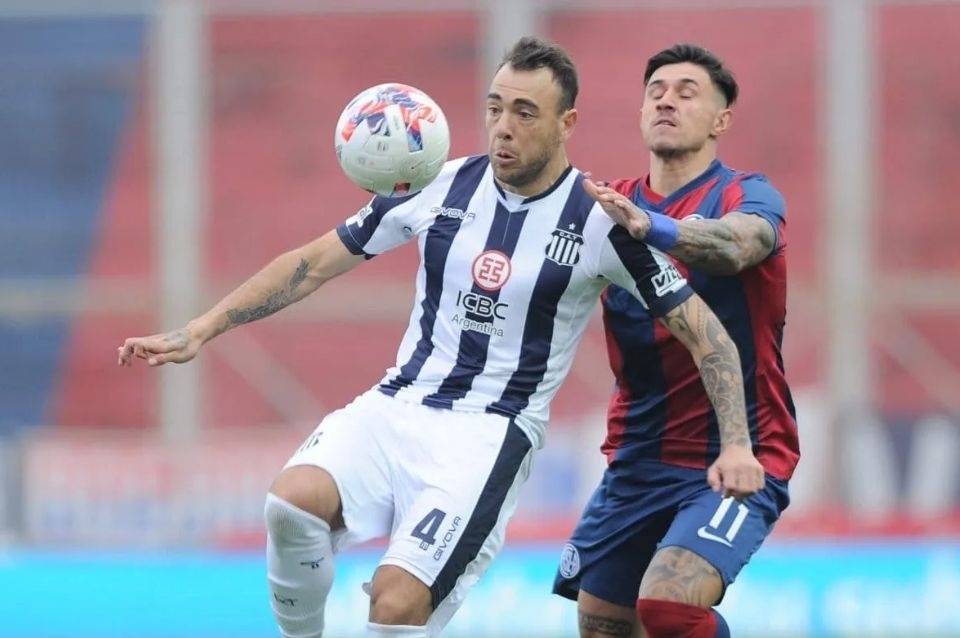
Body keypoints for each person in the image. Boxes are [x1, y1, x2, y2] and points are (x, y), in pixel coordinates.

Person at [118, 37, 762, 638]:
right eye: (495, 108)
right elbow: (312, 263)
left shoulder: (600, 221)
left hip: (487, 435)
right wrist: (202, 328)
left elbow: (707, 334)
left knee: (395, 602)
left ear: (566, 124)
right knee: (290, 507)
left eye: (525, 113)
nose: (503, 127)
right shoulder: (437, 184)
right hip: (396, 404)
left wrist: (736, 444)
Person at [552, 43, 801, 638]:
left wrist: (653, 228)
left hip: (738, 452)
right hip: (638, 457)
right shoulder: (605, 207)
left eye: (687, 92)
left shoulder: (747, 195)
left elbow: (736, 245)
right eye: (656, 91)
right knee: (603, 625)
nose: (667, 100)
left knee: (670, 606)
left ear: (721, 120)